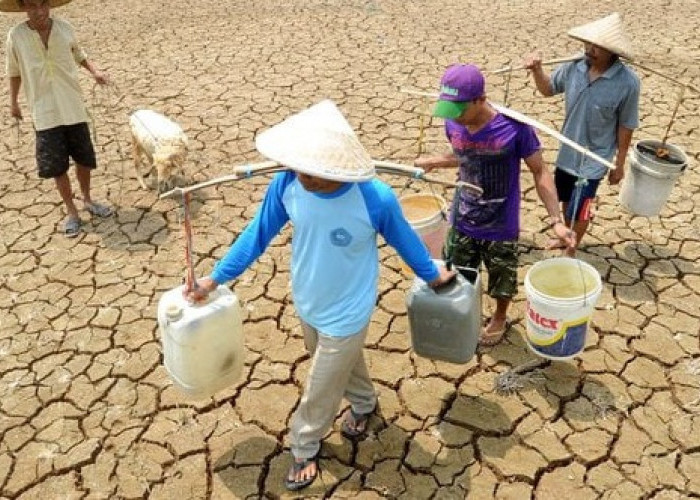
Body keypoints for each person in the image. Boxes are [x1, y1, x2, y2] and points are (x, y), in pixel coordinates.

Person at [184, 100, 455, 492]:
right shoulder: (288, 185)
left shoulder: (374, 197)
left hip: (349, 310)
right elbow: (256, 235)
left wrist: (432, 275)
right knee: (339, 366)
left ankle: (304, 445)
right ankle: (364, 404)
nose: (305, 177)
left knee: (320, 386)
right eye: (300, 167)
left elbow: (406, 242)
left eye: (315, 171)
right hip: (308, 301)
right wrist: (214, 279)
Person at [414, 64, 576, 346]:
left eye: (460, 110)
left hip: (501, 223)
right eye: (450, 111)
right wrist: (436, 161)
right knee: (460, 274)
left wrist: (557, 221)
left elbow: (540, 172)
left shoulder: (514, 128)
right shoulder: (453, 122)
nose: (456, 118)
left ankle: (500, 316)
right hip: (463, 216)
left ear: (480, 99)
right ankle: (465, 311)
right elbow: (464, 153)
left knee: (502, 278)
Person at [524, 12, 640, 256]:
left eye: (598, 46)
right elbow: (548, 89)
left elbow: (626, 125)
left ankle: (572, 249)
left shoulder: (628, 83)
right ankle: (567, 235)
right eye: (588, 43)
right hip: (568, 152)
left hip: (595, 159)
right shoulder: (573, 66)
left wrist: (618, 165)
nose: (590, 49)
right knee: (567, 200)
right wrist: (537, 70)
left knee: (583, 207)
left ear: (613, 52)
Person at [5, 0, 113, 238]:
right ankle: (72, 211)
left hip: (73, 106)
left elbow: (79, 54)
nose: (39, 11)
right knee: (57, 166)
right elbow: (14, 72)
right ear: (24, 8)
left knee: (84, 158)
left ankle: (87, 199)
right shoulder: (17, 36)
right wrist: (13, 102)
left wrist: (95, 72)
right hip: (44, 112)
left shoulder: (64, 28)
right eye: (32, 6)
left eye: (43, 4)